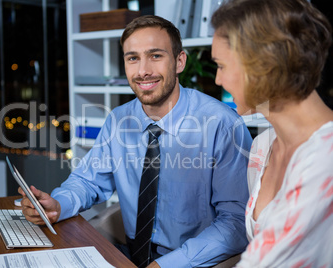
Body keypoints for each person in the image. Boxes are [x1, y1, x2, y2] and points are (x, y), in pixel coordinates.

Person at [19, 15, 253, 268]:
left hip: (190, 261)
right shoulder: (118, 120)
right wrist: (57, 205)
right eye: (133, 58)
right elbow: (88, 181)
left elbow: (236, 223)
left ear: (179, 61)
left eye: (155, 56)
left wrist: (165, 265)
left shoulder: (222, 125)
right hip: (131, 255)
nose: (143, 71)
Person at [211, 0, 333, 267]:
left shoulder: (326, 158)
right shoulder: (263, 146)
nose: (218, 80)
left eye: (221, 65)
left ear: (262, 66)